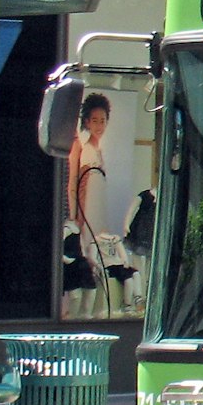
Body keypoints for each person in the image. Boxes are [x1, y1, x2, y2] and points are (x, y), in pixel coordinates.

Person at [64, 92, 112, 319]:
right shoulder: (82, 150)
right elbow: (75, 185)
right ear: (86, 122)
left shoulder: (100, 151)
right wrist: (75, 216)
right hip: (85, 214)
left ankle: (92, 312)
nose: (99, 125)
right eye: (95, 120)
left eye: (102, 120)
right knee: (86, 258)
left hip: (97, 211)